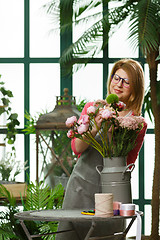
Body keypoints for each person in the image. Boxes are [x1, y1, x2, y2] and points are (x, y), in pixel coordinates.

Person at [56, 59, 147, 240]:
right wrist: (95, 127)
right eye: (116, 78)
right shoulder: (93, 108)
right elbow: (76, 147)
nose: (119, 84)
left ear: (135, 87)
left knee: (105, 237)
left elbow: (129, 162)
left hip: (112, 195)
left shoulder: (137, 123)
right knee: (67, 236)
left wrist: (116, 138)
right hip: (81, 187)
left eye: (126, 81)